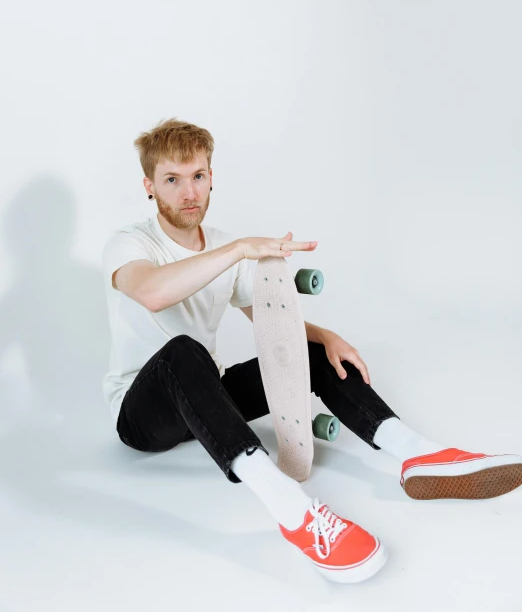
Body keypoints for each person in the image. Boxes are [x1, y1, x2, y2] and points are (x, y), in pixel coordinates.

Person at [101, 117, 522, 584]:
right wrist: (243, 249)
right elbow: (154, 292)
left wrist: (325, 338)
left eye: (197, 176)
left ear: (211, 176)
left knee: (307, 350)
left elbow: (270, 319)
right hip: (144, 416)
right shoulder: (130, 243)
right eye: (172, 181)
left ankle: (417, 453)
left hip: (206, 402)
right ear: (149, 186)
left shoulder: (218, 245)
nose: (188, 193)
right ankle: (293, 511)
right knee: (184, 351)